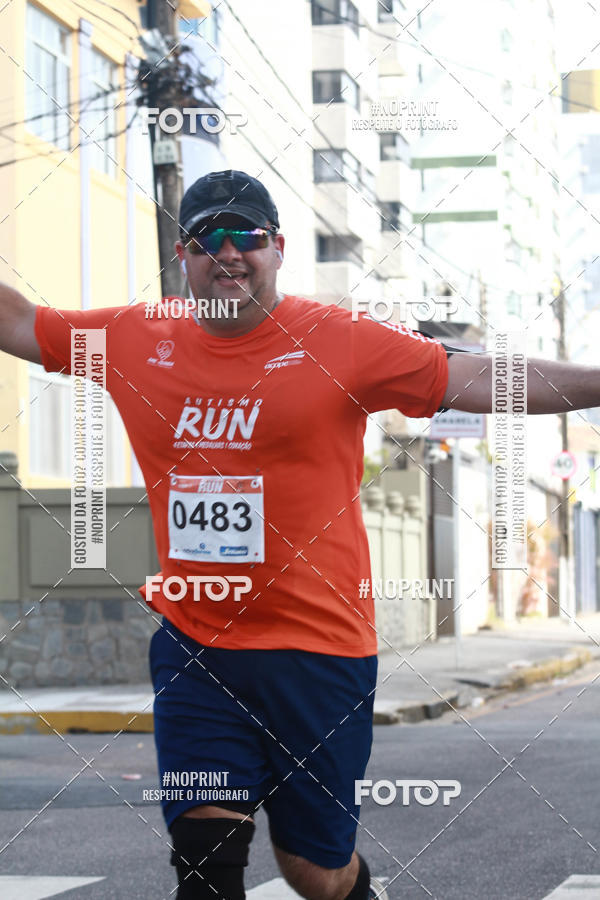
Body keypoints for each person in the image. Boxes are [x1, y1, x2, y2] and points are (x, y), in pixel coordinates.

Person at [1, 169, 599, 900]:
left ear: (277, 248)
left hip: (320, 654)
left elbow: (482, 378)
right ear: (181, 256)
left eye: (245, 236)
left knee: (314, 872)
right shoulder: (133, 337)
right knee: (204, 851)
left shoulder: (340, 341)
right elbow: (21, 323)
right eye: (205, 238)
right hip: (199, 649)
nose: (227, 252)